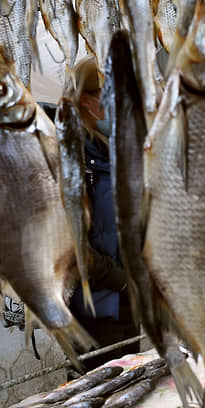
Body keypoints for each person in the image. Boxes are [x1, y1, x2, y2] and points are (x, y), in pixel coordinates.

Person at [67, 58, 140, 369]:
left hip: (129, 303)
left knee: (137, 395)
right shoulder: (72, 157)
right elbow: (70, 244)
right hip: (95, 310)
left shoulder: (116, 152)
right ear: (87, 100)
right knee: (101, 402)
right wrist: (120, 280)